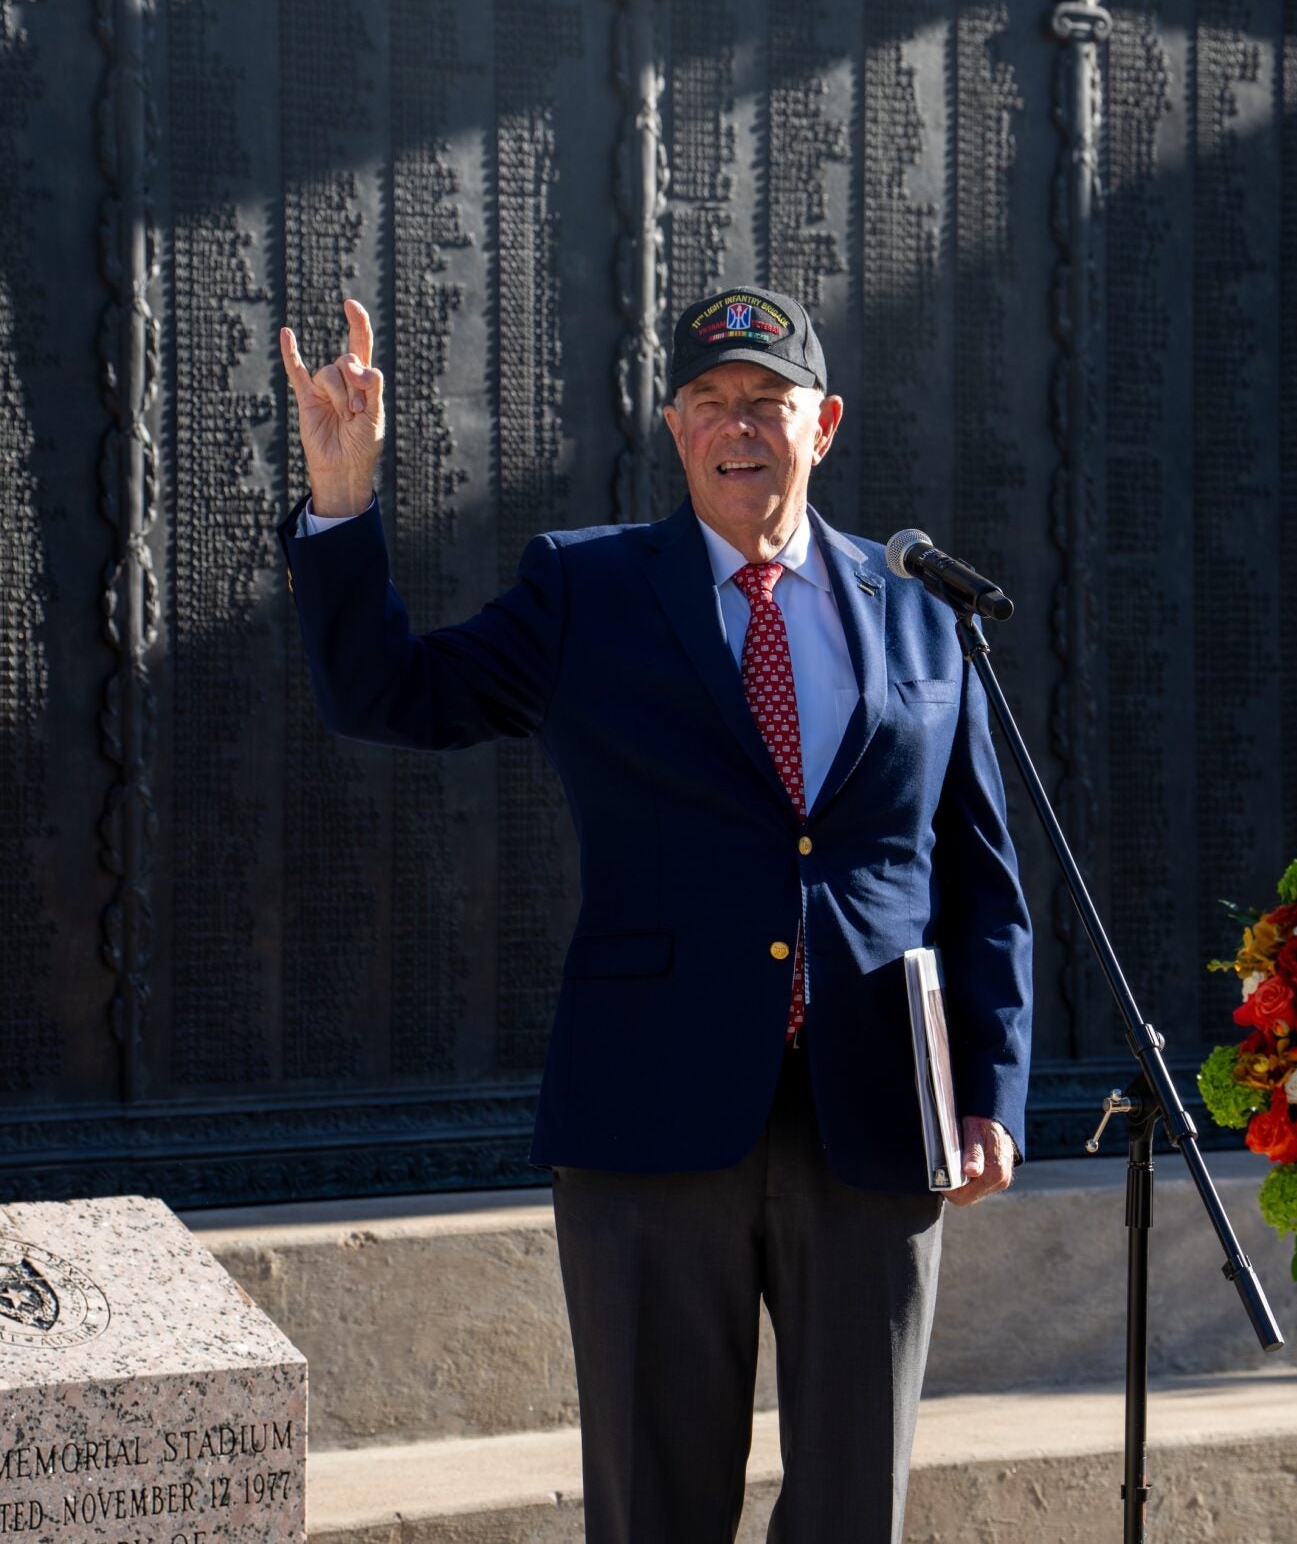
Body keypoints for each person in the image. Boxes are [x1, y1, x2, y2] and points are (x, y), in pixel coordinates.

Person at [276, 283, 1034, 1544]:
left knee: (856, 1509)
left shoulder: (922, 610)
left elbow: (978, 871)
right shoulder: (588, 591)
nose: (740, 429)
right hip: (649, 1116)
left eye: (767, 404)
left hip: (877, 1114)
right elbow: (389, 694)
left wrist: (993, 1093)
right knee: (655, 1508)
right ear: (675, 428)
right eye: (710, 404)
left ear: (824, 423)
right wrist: (344, 501)